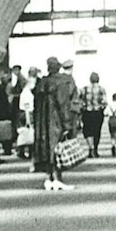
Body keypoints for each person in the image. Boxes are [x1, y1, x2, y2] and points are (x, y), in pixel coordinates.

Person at [32, 56, 80, 190]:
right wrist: (67, 124)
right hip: (56, 120)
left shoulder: (42, 83)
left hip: (42, 122)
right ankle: (58, 179)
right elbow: (63, 104)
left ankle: (48, 179)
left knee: (46, 148)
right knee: (58, 149)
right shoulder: (61, 82)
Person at [79, 71, 108, 158]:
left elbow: (80, 101)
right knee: (97, 131)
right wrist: (101, 107)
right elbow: (105, 102)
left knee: (88, 131)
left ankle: (90, 148)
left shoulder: (84, 89)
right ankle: (95, 149)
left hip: (87, 113)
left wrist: (83, 108)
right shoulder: (101, 89)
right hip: (97, 113)